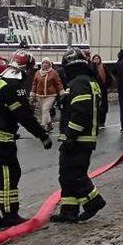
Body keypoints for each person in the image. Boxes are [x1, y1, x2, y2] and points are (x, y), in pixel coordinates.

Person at [0, 50, 52, 229]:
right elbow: (24, 116)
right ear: (24, 68)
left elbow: (0, 108)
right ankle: (10, 214)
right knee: (9, 173)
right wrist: (42, 136)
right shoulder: (15, 86)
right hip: (1, 136)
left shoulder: (0, 81)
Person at [50, 50, 106, 224]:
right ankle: (69, 211)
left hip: (78, 139)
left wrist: (70, 135)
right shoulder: (89, 81)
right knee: (66, 175)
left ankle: (94, 202)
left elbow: (81, 111)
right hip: (85, 138)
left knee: (74, 175)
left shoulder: (79, 83)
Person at [31, 57, 63, 132]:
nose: (45, 64)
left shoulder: (54, 72)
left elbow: (58, 83)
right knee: (43, 111)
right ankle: (49, 125)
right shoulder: (37, 73)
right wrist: (32, 93)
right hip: (39, 95)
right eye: (43, 63)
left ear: (50, 64)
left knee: (45, 109)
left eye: (47, 63)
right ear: (41, 64)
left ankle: (42, 126)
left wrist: (61, 91)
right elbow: (34, 84)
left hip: (51, 95)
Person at [89, 53, 110, 128]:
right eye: (95, 59)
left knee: (103, 105)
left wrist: (105, 85)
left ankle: (102, 121)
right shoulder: (91, 68)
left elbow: (109, 77)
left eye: (97, 58)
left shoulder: (103, 67)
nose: (96, 60)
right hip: (94, 89)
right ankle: (96, 121)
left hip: (102, 89)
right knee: (95, 105)